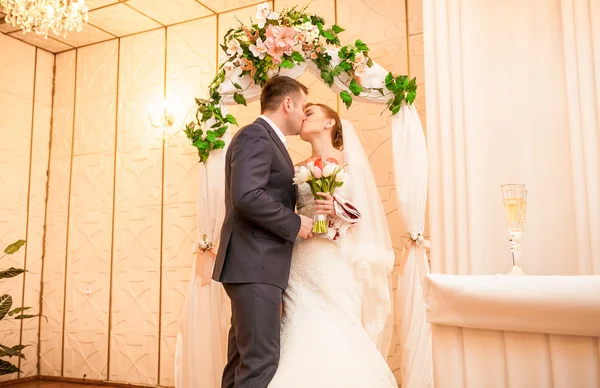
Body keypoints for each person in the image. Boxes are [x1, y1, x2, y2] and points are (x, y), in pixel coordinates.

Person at [267, 103, 397, 387]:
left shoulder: (351, 163)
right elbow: (284, 211)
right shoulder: (295, 168)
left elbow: (365, 215)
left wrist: (338, 210)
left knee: (337, 321)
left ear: (330, 123)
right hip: (301, 260)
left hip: (335, 259)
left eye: (310, 112)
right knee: (300, 323)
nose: (303, 115)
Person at [212, 75, 315, 388]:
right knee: (260, 362)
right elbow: (247, 196)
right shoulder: (256, 136)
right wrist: (296, 223)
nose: (303, 114)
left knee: (244, 360)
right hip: (254, 264)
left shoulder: (264, 140)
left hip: (254, 264)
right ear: (288, 103)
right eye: (303, 107)